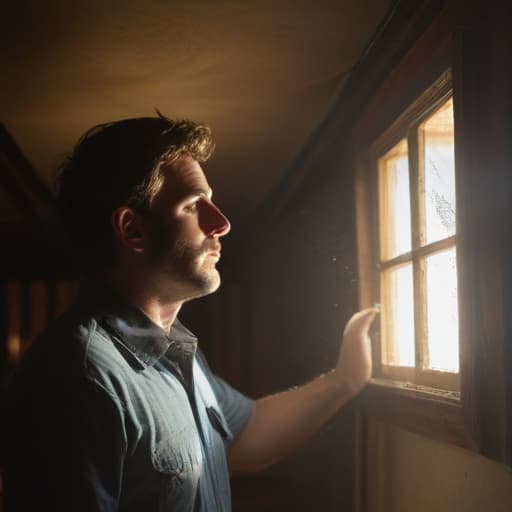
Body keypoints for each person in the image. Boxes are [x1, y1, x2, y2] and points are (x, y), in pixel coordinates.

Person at [1, 114, 377, 511]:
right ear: (132, 230)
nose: (221, 223)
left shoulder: (174, 349)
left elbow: (246, 436)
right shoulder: (77, 379)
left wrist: (344, 380)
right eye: (194, 205)